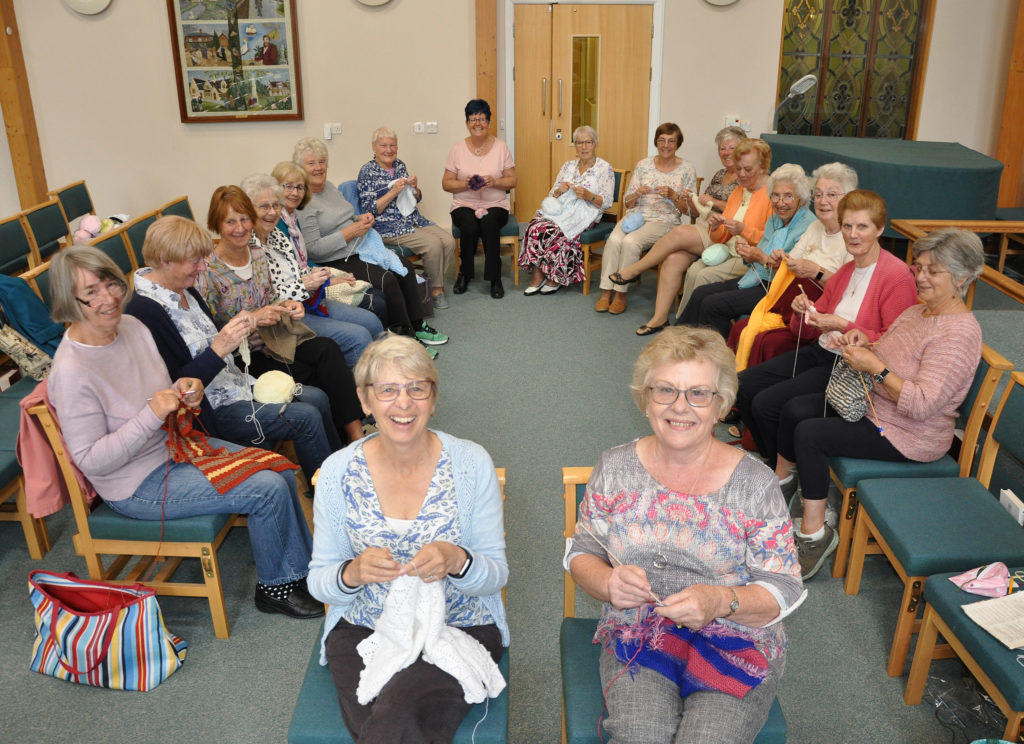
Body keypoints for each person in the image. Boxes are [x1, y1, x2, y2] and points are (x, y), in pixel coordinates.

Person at [47, 245, 321, 619]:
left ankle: (300, 572)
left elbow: (164, 389)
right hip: (135, 484)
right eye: (91, 292)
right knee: (266, 490)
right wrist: (151, 414)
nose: (109, 298)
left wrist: (185, 394)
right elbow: (92, 460)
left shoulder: (132, 326)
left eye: (110, 284)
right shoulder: (71, 371)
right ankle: (276, 587)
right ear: (68, 301)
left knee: (276, 468)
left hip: (176, 446)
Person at [565, 327, 803, 744]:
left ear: (720, 404)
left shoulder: (755, 484)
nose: (680, 407)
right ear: (645, 396)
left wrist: (719, 601)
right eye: (665, 390)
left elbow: (783, 587)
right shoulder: (615, 467)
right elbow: (583, 551)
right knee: (639, 735)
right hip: (637, 630)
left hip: (736, 638)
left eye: (698, 393)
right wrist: (606, 582)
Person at [308, 334, 509, 741]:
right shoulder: (336, 472)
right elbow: (319, 583)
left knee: (394, 718)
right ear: (365, 401)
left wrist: (457, 560)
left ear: (433, 399)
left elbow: (495, 575)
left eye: (417, 388)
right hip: (364, 627)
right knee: (391, 722)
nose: (404, 403)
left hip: (459, 624)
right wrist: (353, 572)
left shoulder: (471, 463)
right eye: (387, 390)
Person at [781, 229, 984, 578]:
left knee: (810, 433)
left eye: (933, 271)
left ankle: (814, 534)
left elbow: (921, 405)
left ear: (962, 278)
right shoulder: (919, 314)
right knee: (793, 407)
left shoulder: (958, 333)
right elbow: (891, 350)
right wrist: (866, 343)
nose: (920, 277)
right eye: (918, 267)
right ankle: (781, 495)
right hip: (876, 407)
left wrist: (875, 366)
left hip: (910, 435)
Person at [735, 190, 918, 543]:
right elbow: (809, 322)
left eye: (862, 226)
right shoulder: (848, 270)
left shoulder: (896, 277)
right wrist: (805, 308)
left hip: (851, 369)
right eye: (848, 225)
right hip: (822, 353)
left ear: (880, 229)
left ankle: (782, 475)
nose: (853, 234)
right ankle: (780, 467)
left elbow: (895, 346)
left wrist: (841, 326)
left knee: (772, 403)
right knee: (745, 385)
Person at [125, 215, 340, 482]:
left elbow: (211, 335)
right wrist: (219, 349)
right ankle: (328, 492)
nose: (203, 267)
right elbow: (174, 386)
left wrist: (244, 323)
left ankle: (339, 474)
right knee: (305, 416)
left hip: (237, 386)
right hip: (210, 410)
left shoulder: (185, 290)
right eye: (195, 261)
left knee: (317, 397)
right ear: (167, 260)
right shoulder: (143, 312)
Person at [196, 185, 366, 445]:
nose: (240, 228)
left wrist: (288, 304)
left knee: (328, 350)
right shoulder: (208, 272)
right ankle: (336, 449)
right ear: (216, 225)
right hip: (245, 359)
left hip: (274, 340)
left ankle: (356, 436)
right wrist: (254, 318)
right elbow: (209, 332)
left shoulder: (256, 255)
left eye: (244, 219)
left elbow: (270, 298)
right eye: (230, 221)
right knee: (319, 380)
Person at [293, 137, 448, 350]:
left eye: (322, 161)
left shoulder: (329, 188)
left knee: (405, 266)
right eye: (311, 163)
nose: (319, 167)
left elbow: (346, 215)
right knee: (387, 279)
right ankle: (407, 339)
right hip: (337, 258)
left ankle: (418, 323)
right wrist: (350, 232)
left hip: (360, 245)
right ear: (300, 168)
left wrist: (359, 220)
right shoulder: (303, 202)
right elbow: (314, 249)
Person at [610, 138, 774, 337]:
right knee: (673, 259)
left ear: (763, 166)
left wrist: (742, 229)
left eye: (747, 170)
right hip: (724, 246)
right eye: (739, 169)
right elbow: (719, 236)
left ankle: (686, 330)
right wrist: (716, 226)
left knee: (697, 267)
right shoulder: (739, 191)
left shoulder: (773, 195)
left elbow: (770, 241)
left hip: (748, 256)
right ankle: (666, 320)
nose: (741, 174)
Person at [240, 172, 381, 367]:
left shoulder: (277, 236)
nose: (272, 212)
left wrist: (318, 275)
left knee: (372, 321)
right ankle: (358, 389)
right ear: (248, 209)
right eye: (264, 206)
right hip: (286, 318)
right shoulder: (248, 248)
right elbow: (266, 299)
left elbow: (298, 269)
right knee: (359, 336)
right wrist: (304, 284)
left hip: (309, 300)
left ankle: (382, 373)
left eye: (275, 205)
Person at [730, 162, 858, 371]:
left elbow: (849, 292)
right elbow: (791, 263)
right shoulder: (815, 227)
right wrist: (782, 259)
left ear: (848, 199)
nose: (823, 201)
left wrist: (817, 273)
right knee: (741, 329)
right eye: (818, 194)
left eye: (832, 195)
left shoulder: (852, 238)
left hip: (817, 319)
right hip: (790, 307)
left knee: (766, 341)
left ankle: (747, 393)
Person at [677, 163, 818, 337]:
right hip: (757, 279)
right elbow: (759, 254)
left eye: (788, 196)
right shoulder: (775, 219)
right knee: (700, 293)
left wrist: (761, 258)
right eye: (775, 196)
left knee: (712, 304)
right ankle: (679, 341)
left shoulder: (807, 226)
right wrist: (748, 252)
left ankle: (720, 355)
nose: (780, 203)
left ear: (801, 199)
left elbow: (793, 274)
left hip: (779, 290)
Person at [271, 160, 389, 331]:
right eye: (288, 187)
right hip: (300, 296)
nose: (294, 193)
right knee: (375, 304)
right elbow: (296, 268)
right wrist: (329, 280)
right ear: (275, 188)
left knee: (378, 295)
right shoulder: (276, 224)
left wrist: (329, 274)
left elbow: (304, 260)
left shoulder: (293, 219)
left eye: (300, 188)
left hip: (313, 278)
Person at [594, 122, 699, 314]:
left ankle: (620, 293)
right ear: (656, 142)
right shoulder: (643, 165)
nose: (666, 145)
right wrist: (636, 194)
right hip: (637, 216)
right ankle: (605, 291)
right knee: (615, 240)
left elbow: (692, 212)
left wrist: (673, 195)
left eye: (671, 141)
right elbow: (628, 202)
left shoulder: (687, 169)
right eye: (662, 140)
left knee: (631, 242)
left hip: (664, 220)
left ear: (678, 144)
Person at [358, 126, 456, 309]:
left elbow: (415, 199)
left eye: (392, 145)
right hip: (388, 226)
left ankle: (426, 284)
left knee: (449, 241)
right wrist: (392, 192)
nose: (388, 150)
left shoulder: (400, 165)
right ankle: (436, 290)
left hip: (413, 219)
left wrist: (415, 188)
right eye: (383, 145)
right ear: (374, 147)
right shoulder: (367, 172)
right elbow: (369, 209)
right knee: (433, 244)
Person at [518, 125, 614, 295]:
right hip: (562, 210)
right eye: (579, 143)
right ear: (575, 146)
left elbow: (606, 202)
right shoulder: (568, 166)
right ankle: (538, 274)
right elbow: (552, 194)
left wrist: (588, 195)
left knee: (554, 230)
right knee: (534, 226)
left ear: (595, 144)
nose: (584, 147)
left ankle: (555, 277)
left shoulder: (604, 168)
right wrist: (560, 190)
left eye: (588, 142)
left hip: (586, 214)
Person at [442, 99, 518, 299]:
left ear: (489, 122)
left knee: (489, 223)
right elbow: (446, 183)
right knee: (469, 225)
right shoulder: (457, 148)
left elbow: (512, 180)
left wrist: (495, 181)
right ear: (467, 122)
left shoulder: (501, 147)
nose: (478, 123)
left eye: (482, 119)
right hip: (464, 204)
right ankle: (464, 275)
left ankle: (495, 279)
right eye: (473, 119)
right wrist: (466, 184)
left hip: (495, 204)